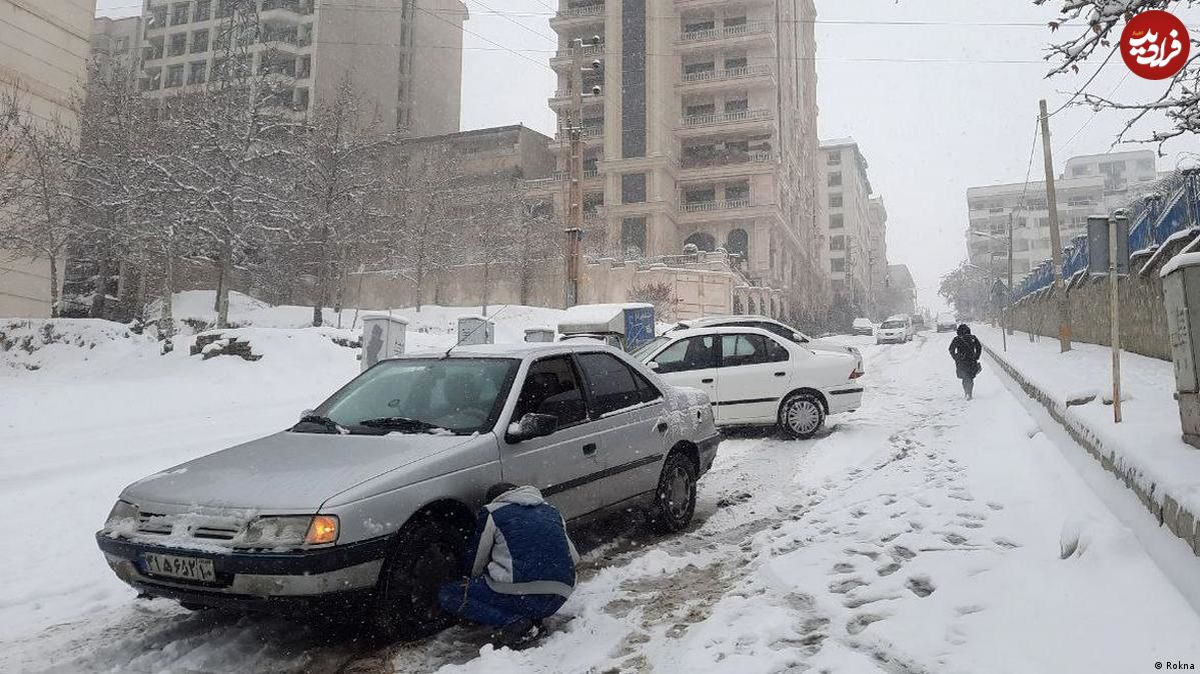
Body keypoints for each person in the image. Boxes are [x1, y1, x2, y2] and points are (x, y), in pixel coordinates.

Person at [439, 483, 579, 648]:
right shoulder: (551, 511)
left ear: (495, 499)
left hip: (522, 596)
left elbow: (477, 560)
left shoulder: (492, 512)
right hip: (559, 595)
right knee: (523, 588)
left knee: (449, 594)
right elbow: (575, 557)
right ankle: (531, 615)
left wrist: (470, 581)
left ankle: (514, 621)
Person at [949, 324, 983, 400]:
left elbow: (951, 349)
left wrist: (956, 357)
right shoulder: (973, 338)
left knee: (965, 377)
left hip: (961, 362)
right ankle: (969, 393)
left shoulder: (957, 339)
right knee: (970, 377)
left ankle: (966, 393)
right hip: (971, 361)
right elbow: (979, 347)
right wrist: (977, 356)